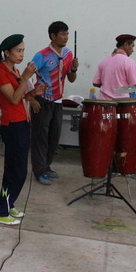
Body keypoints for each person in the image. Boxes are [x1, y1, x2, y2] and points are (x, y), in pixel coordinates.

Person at [0, 35, 45, 225]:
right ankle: (0, 210)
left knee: (18, 169)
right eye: (18, 51)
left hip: (22, 122)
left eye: (23, 50)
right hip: (12, 125)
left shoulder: (14, 71)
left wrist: (34, 92)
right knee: (16, 170)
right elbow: (13, 99)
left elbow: (22, 96)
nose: (22, 54)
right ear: (7, 52)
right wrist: (26, 78)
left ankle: (9, 202)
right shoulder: (1, 73)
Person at [30, 21, 79, 185]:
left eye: (67, 34)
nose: (66, 37)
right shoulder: (42, 55)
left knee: (54, 137)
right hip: (42, 100)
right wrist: (31, 98)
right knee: (40, 138)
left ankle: (46, 166)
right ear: (53, 36)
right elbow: (26, 76)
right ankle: (39, 171)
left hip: (58, 101)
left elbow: (71, 79)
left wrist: (74, 69)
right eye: (63, 34)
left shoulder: (68, 54)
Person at [92, 34, 136, 100]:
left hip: (103, 102)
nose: (132, 50)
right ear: (126, 44)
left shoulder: (103, 62)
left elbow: (95, 83)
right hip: (121, 102)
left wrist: (108, 85)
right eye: (132, 46)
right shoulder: (129, 62)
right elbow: (135, 85)